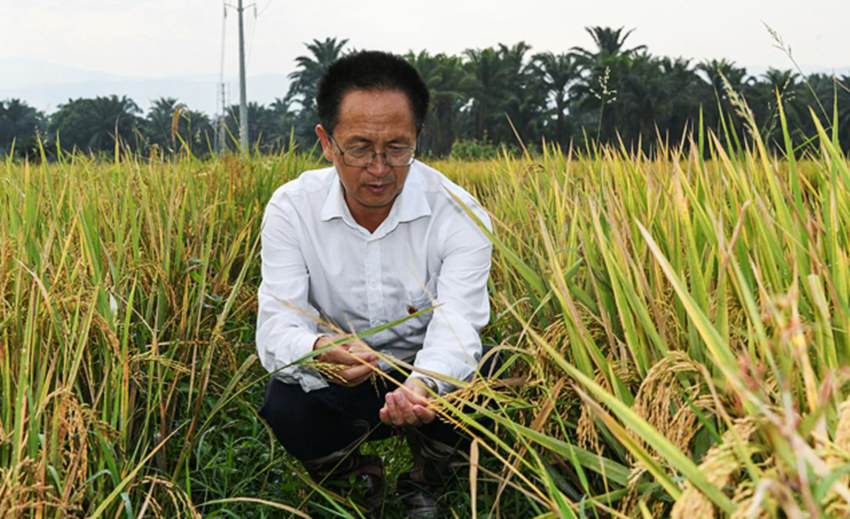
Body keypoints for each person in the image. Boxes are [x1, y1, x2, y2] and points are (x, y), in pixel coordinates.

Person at [256, 50, 492, 516]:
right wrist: (319, 349)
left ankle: (429, 478)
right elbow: (275, 327)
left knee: (489, 376)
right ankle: (354, 476)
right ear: (327, 142)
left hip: (425, 377)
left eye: (398, 149)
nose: (380, 169)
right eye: (360, 148)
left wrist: (424, 387)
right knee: (285, 400)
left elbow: (458, 325)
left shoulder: (460, 213)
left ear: (418, 137)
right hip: (343, 376)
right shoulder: (291, 208)